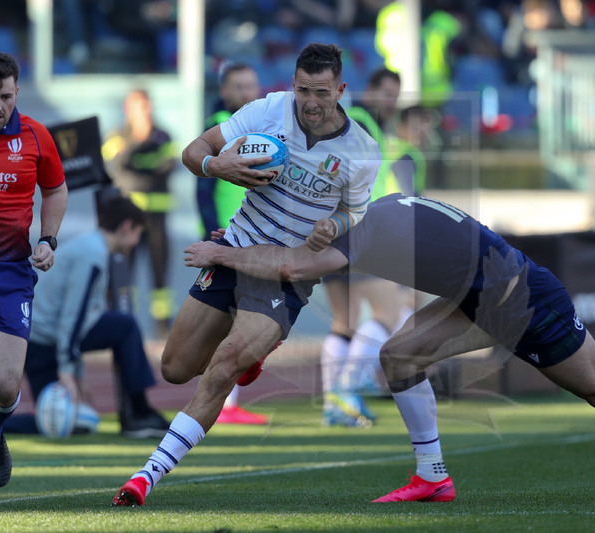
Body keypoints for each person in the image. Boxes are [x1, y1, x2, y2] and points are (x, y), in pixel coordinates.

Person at [182, 193, 595, 502]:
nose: (309, 225)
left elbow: (292, 268)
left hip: (520, 298)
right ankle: (433, 475)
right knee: (399, 356)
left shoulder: (360, 230)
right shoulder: (374, 213)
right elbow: (300, 265)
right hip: (480, 295)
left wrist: (223, 255)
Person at [112, 42, 381, 507]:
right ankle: (250, 353)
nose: (310, 102)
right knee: (175, 368)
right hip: (235, 246)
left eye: (321, 92)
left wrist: (334, 226)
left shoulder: (362, 150)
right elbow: (194, 151)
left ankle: (146, 475)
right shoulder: (268, 111)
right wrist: (216, 165)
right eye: (303, 90)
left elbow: (355, 211)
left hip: (286, 273)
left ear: (340, 90)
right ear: (292, 85)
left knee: (222, 369)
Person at [9, 195, 169, 439]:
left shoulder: (91, 246)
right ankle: (140, 412)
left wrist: (78, 373)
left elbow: (78, 321)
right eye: (139, 233)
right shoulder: (93, 254)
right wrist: (68, 372)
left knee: (62, 421)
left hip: (42, 339)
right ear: (127, 227)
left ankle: (140, 412)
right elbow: (72, 317)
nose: (138, 242)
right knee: (55, 422)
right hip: (43, 345)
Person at [0, 50, 69, 487]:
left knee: (5, 385)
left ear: (17, 91)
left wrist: (48, 239)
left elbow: (55, 190)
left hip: (10, 273)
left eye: (6, 97)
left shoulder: (35, 136)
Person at [320, 67, 403, 427]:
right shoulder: (360, 123)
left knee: (345, 322)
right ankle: (347, 389)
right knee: (389, 313)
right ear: (369, 91)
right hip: (360, 230)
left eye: (395, 95)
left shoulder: (354, 122)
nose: (392, 101)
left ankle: (333, 406)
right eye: (386, 93)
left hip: (333, 231)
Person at [195, 61, 267, 426]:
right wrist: (211, 230)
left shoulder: (262, 128)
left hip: (255, 235)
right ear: (224, 91)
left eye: (251, 86)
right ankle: (224, 400)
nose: (246, 93)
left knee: (243, 314)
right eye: (238, 86)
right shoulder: (221, 127)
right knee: (229, 316)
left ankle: (228, 396)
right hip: (226, 235)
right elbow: (202, 188)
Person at [102, 88, 178, 338]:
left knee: (160, 274)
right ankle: (125, 324)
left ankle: (162, 328)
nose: (144, 112)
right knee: (125, 273)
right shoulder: (117, 136)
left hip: (157, 217)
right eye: (138, 107)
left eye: (146, 106)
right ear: (128, 109)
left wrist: (138, 164)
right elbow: (117, 165)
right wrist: (138, 143)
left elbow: (168, 167)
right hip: (128, 219)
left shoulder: (164, 135)